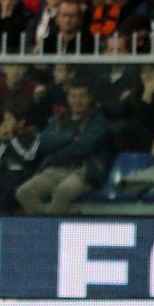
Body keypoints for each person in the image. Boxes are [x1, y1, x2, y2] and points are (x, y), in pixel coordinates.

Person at [15, 79, 111, 214]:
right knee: (24, 192)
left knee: (63, 192)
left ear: (90, 98)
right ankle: (46, 222)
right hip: (54, 170)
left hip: (82, 172)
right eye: (73, 96)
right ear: (68, 99)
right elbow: (44, 142)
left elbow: (83, 147)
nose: (78, 101)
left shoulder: (97, 121)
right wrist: (71, 136)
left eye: (82, 96)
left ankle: (51, 228)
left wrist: (58, 146)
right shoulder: (59, 119)